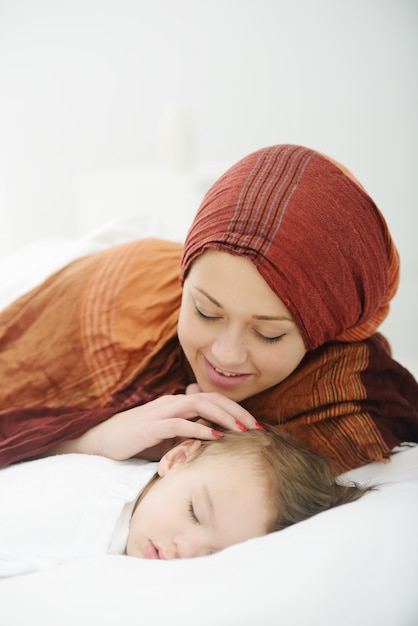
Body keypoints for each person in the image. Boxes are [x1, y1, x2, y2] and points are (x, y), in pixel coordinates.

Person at [0, 144, 417, 471]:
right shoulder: (117, 291)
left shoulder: (350, 397)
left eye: (268, 332)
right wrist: (94, 438)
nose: (225, 355)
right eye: (205, 312)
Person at [0, 427, 371, 577]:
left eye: (213, 555)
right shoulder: (91, 498)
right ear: (176, 460)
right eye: (194, 513)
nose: (187, 549)